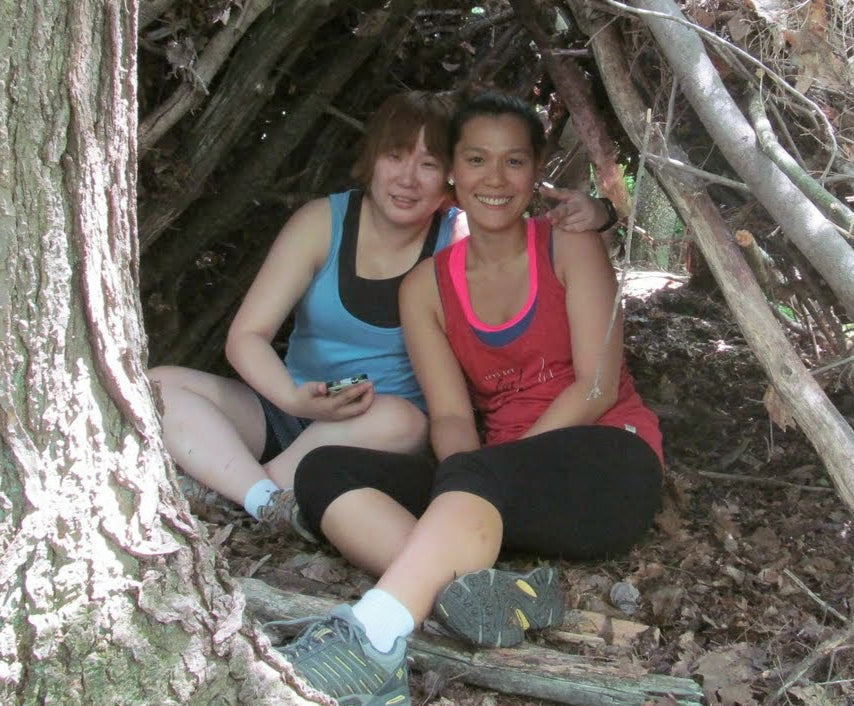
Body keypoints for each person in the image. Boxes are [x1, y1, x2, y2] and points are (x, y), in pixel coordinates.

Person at [277, 91, 663, 706]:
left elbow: (596, 387)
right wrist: (465, 475)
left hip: (607, 462)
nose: (495, 179)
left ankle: (373, 638)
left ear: (535, 172)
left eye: (514, 162)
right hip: (493, 486)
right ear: (453, 172)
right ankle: (482, 592)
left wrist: (478, 474)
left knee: (477, 471)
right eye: (477, 160)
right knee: (324, 471)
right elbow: (452, 417)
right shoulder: (426, 286)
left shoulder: (569, 246)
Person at [149, 90, 611, 534]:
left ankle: (245, 490)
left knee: (400, 420)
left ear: (450, 176)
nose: (407, 179)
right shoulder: (321, 223)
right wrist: (293, 398)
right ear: (372, 159)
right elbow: (246, 336)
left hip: (381, 429)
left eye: (428, 164)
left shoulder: (459, 239)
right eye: (395, 156)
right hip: (290, 406)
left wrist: (602, 212)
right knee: (160, 385)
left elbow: (525, 234)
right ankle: (265, 500)